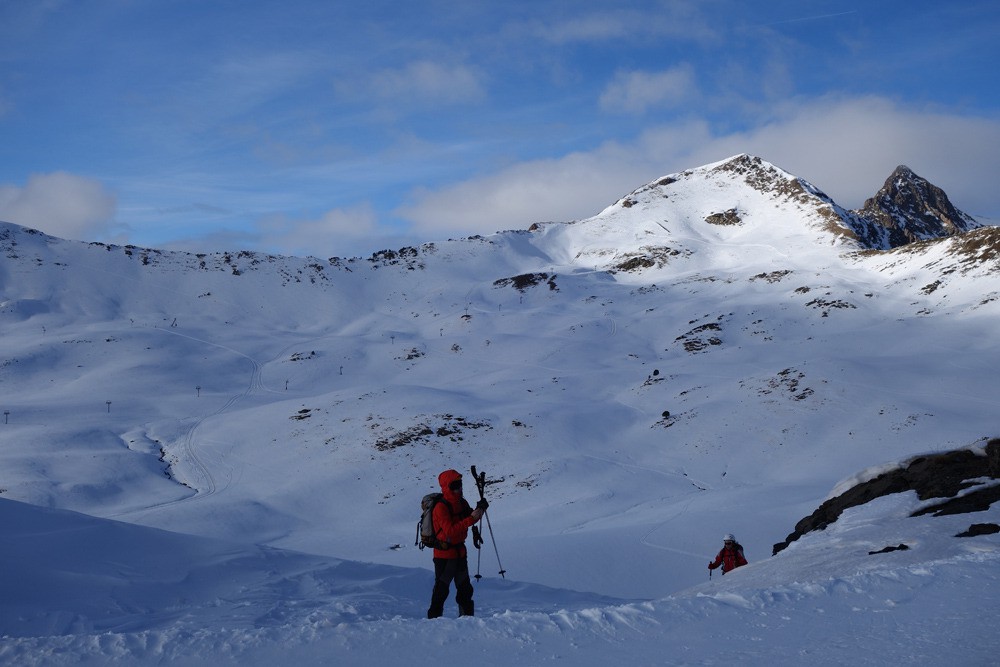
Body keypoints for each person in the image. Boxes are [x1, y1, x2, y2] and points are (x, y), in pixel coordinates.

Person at [427, 469, 487, 618]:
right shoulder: (441, 507)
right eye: (455, 485)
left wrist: (480, 509)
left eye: (460, 484)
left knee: (465, 590)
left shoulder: (461, 502)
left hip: (459, 552)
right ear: (447, 487)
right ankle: (432, 622)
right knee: (441, 591)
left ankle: (467, 621)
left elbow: (469, 516)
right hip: (444, 555)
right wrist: (472, 518)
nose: (459, 488)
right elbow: (450, 531)